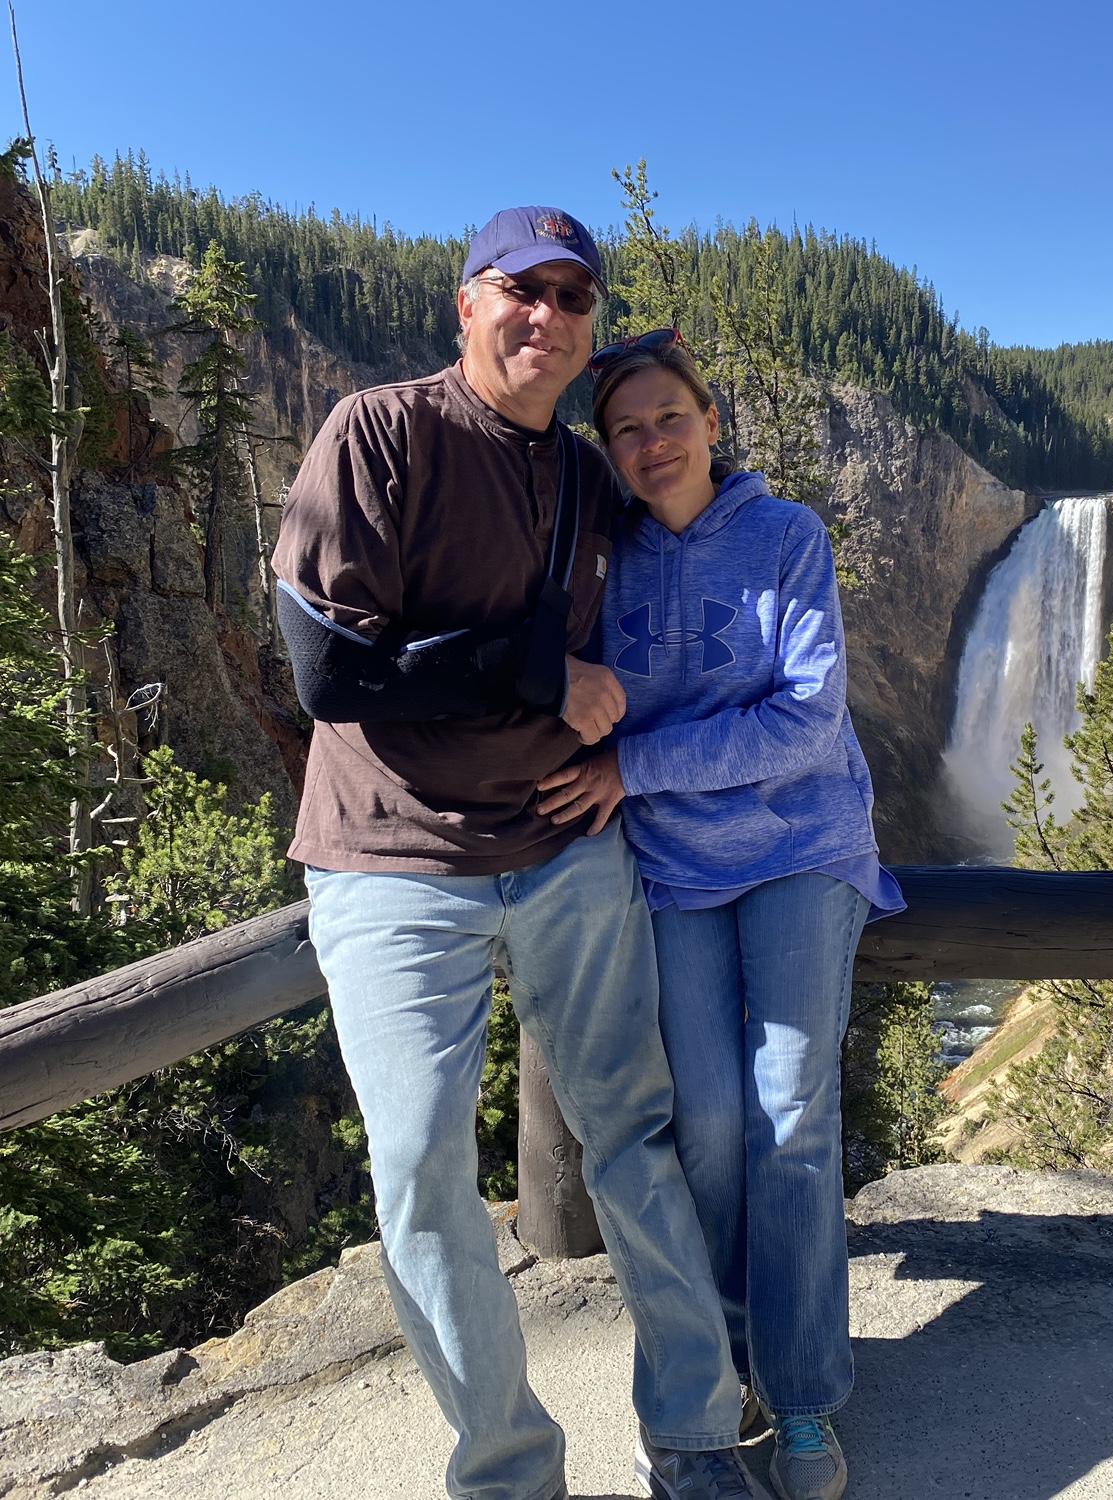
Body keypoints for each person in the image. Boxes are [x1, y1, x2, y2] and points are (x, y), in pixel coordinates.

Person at [272, 210, 774, 1500]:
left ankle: (695, 1434)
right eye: (522, 289)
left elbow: (701, 520)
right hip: (392, 860)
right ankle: (506, 1473)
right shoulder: (380, 433)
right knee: (421, 1170)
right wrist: (541, 673)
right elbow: (330, 669)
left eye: (574, 294)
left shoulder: (593, 480)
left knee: (634, 1136)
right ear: (468, 305)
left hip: (564, 849)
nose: (547, 313)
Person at [537, 330, 905, 1500]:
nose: (653, 443)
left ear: (709, 420)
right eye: (627, 429)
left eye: (670, 418)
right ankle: (719, 1357)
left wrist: (635, 768)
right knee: (700, 1124)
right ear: (610, 450)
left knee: (789, 1114)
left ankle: (800, 1394)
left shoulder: (786, 536)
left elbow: (807, 721)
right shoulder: (606, 563)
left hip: (801, 844)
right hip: (676, 866)